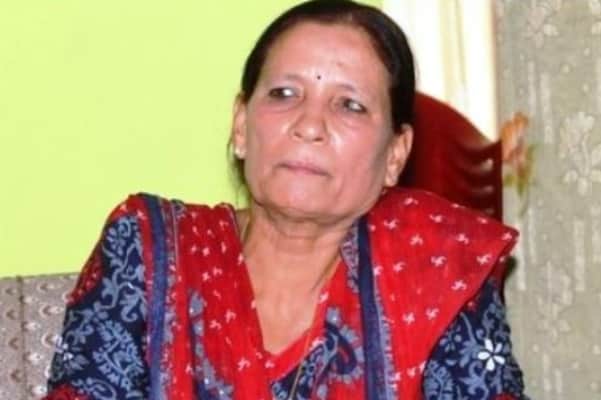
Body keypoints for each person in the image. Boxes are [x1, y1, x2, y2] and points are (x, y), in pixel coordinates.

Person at [44, 1, 527, 399]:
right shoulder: (148, 249)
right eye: (284, 93)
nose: (310, 125)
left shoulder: (439, 268)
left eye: (350, 105)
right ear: (241, 125)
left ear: (395, 154)